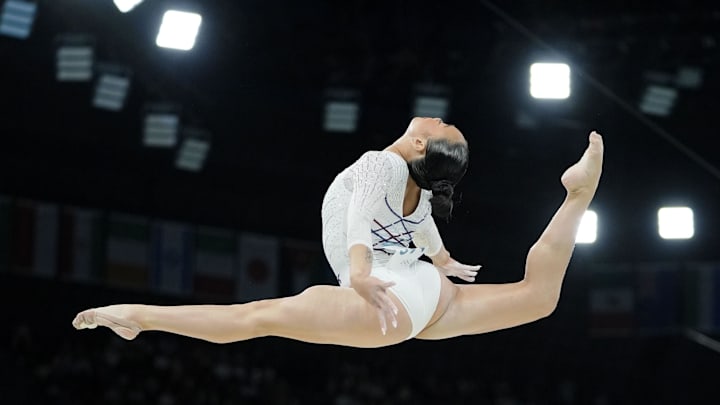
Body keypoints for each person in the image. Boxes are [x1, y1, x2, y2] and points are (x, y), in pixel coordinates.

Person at [73, 117, 604, 348]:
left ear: (420, 146)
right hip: (418, 295)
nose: (439, 120)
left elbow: (359, 217)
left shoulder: (383, 163)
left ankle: (137, 318)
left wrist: (359, 275)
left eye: (444, 129)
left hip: (387, 299)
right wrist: (441, 264)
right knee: (537, 298)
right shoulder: (414, 187)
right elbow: (417, 232)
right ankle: (577, 196)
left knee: (256, 318)